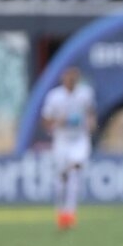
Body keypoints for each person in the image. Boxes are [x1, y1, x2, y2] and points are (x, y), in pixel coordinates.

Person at [41, 67, 96, 230]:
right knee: (61, 182)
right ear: (63, 79)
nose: (72, 81)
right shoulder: (54, 96)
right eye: (69, 78)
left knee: (76, 172)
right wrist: (59, 121)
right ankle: (61, 214)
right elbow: (46, 120)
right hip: (62, 140)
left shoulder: (85, 93)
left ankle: (70, 215)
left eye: (74, 78)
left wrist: (91, 122)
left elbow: (90, 112)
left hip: (80, 139)